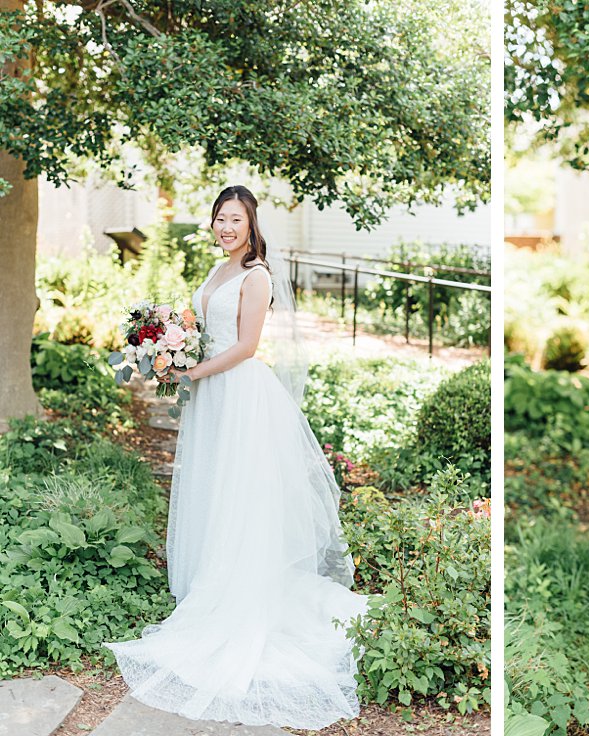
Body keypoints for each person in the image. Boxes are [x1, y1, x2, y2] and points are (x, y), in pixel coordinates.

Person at [106, 186, 367, 730]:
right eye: (220, 219)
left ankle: (240, 595)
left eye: (235, 220)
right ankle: (212, 582)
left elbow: (247, 346)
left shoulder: (257, 275)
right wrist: (162, 345)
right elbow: (202, 330)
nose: (226, 227)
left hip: (241, 393)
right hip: (212, 397)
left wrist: (191, 372)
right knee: (213, 488)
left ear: (251, 225)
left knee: (240, 493)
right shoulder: (216, 270)